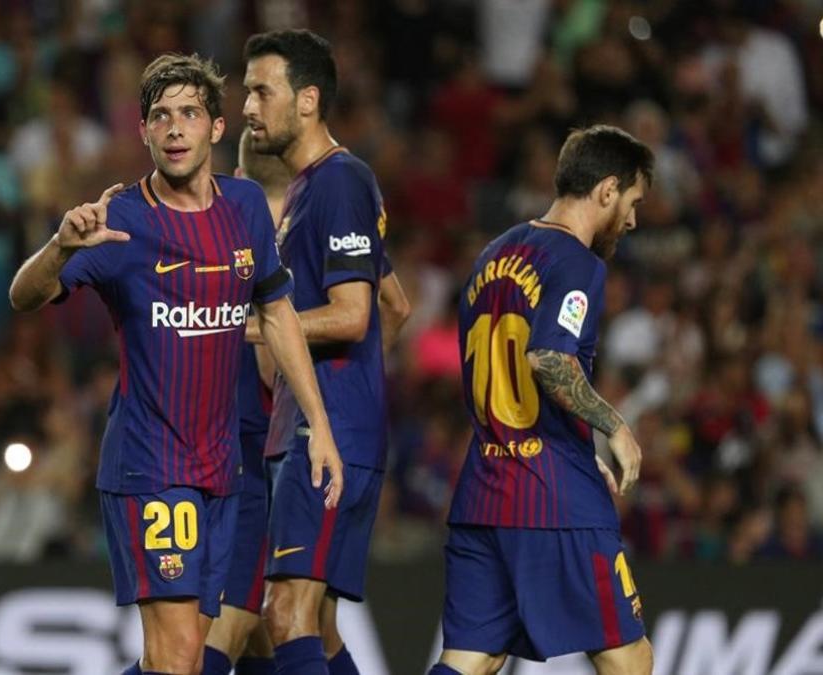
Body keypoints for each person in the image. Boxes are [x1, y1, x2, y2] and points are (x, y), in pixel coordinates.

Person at [7, 53, 343, 675]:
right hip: (150, 465)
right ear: (143, 132)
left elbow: (276, 314)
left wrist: (318, 425)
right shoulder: (121, 223)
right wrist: (58, 246)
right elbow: (23, 296)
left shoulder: (243, 208)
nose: (174, 128)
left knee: (187, 659)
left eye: (189, 113)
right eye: (160, 116)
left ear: (217, 129)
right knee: (181, 653)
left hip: (221, 470)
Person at [430, 125, 656, 675]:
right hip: (552, 500)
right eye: (631, 202)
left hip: (484, 494)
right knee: (630, 659)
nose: (632, 220)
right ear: (606, 190)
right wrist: (615, 427)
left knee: (470, 661)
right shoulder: (578, 262)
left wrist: (583, 451)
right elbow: (548, 360)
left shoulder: (492, 255)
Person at [202, 124, 410, 675]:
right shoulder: (317, 220)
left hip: (261, 453)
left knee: (237, 626)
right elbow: (395, 307)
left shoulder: (241, 240)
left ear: (239, 178)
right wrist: (349, 388)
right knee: (306, 625)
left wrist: (304, 396)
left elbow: (276, 362)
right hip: (321, 439)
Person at [241, 30, 397, 674]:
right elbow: (398, 306)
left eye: (260, 91)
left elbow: (356, 314)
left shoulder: (339, 182)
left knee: (283, 616)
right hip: (312, 423)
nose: (248, 107)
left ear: (307, 100)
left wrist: (244, 326)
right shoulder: (310, 188)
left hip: (325, 433)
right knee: (314, 626)